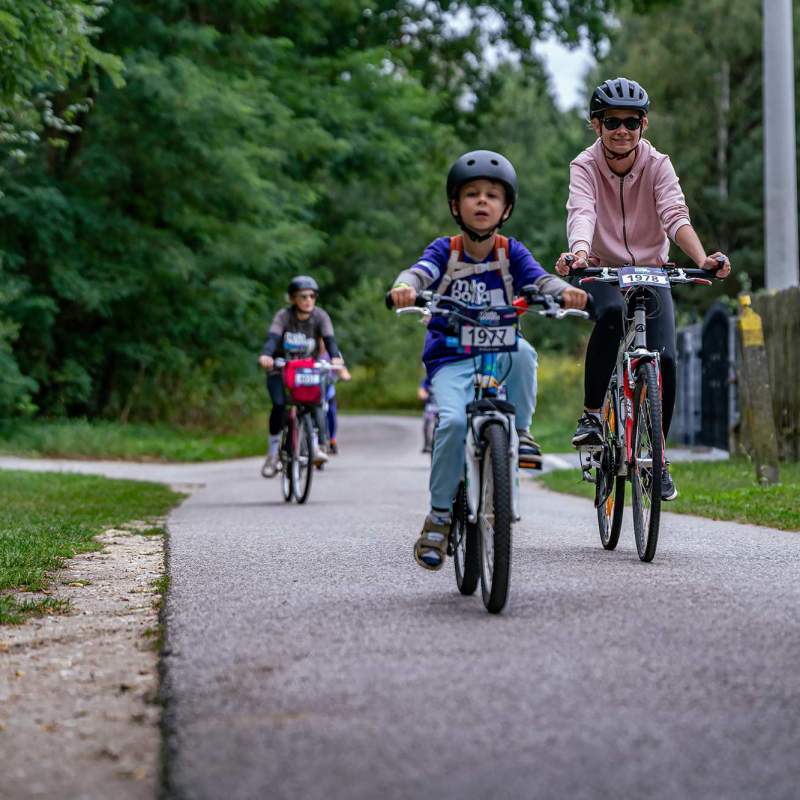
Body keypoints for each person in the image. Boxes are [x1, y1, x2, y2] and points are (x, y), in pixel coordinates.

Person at [390, 150, 587, 570]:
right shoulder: (446, 250)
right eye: (472, 194)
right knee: (454, 422)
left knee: (524, 352)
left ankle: (523, 432)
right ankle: (439, 518)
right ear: (455, 206)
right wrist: (404, 287)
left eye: (492, 195)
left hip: (500, 353)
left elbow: (539, 277)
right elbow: (419, 272)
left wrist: (562, 291)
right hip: (451, 359)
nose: (482, 201)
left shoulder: (509, 252)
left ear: (506, 207)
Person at [555, 77, 732, 501]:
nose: (622, 130)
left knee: (666, 361)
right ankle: (593, 416)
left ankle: (658, 459)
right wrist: (579, 252)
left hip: (652, 270)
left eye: (631, 122)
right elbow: (583, 211)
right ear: (596, 125)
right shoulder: (585, 166)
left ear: (644, 125)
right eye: (611, 121)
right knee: (613, 315)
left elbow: (675, 215)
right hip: (601, 269)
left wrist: (702, 258)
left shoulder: (658, 165)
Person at [258, 276, 347, 477]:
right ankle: (273, 454)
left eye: (312, 296)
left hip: (308, 370)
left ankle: (316, 446)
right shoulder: (283, 317)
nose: (308, 300)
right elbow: (272, 338)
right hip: (281, 368)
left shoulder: (321, 317)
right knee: (280, 406)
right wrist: (266, 355)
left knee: (316, 404)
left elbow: (330, 341)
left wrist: (335, 359)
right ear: (292, 299)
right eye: (303, 296)